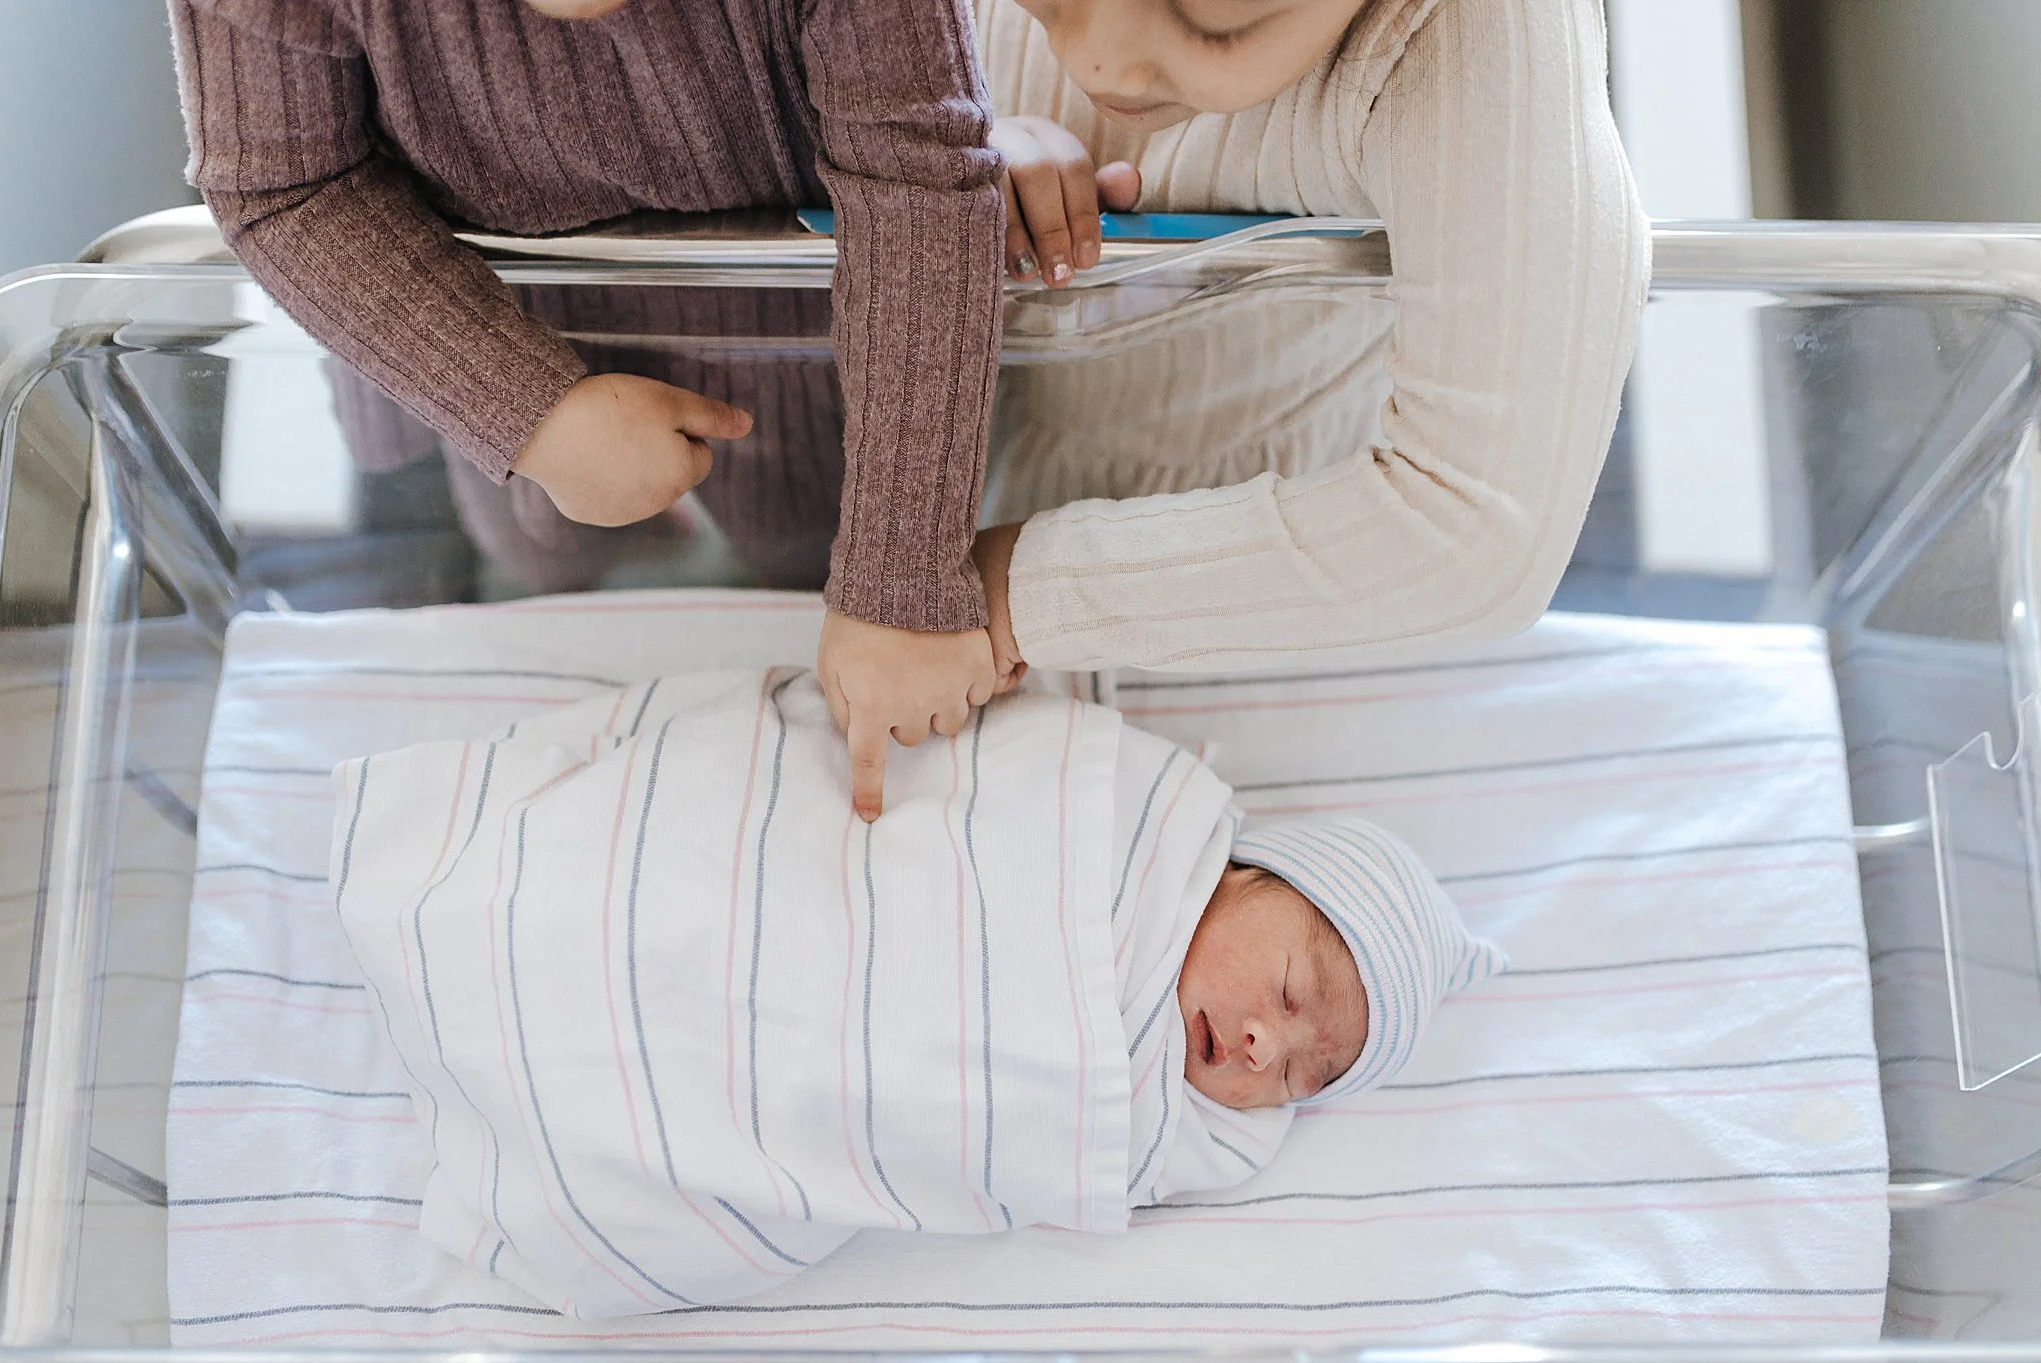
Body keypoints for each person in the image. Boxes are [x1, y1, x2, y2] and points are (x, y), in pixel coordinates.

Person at [330, 669, 1503, 1317]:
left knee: (744, 1101)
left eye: (1302, 1075)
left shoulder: (1175, 1134)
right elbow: (984, 774)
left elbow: (1002, 1140)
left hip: (816, 1096)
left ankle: (560, 1110)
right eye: (1289, 993)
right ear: (1246, 872)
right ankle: (521, 929)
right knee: (682, 891)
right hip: (799, 881)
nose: (1258, 1048)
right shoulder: (1123, 814)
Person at [165, 0, 1010, 820]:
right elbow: (287, 185)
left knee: (793, 536)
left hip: (783, 301)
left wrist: (901, 579)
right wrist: (529, 413)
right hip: (454, 301)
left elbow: (919, 180)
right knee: (530, 549)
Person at [964, 0, 1651, 679]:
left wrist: (1006, 593)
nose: (1096, 62)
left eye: (1211, 23)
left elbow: (1475, 534)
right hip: (984, 598)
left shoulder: (1475, 27)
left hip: (1307, 618)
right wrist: (954, 156)